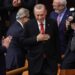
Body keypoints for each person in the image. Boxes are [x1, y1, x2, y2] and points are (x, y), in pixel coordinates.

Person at [19, 4, 61, 75]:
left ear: (46, 12)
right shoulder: (28, 25)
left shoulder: (53, 23)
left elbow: (57, 42)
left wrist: (58, 60)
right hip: (35, 63)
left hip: (50, 63)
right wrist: (36, 39)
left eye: (42, 15)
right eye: (37, 15)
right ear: (34, 14)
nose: (40, 17)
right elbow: (22, 41)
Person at [5, 8, 30, 73]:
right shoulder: (20, 30)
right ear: (24, 17)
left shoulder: (13, 26)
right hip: (16, 61)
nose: (29, 20)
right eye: (28, 17)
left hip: (9, 59)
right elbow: (26, 46)